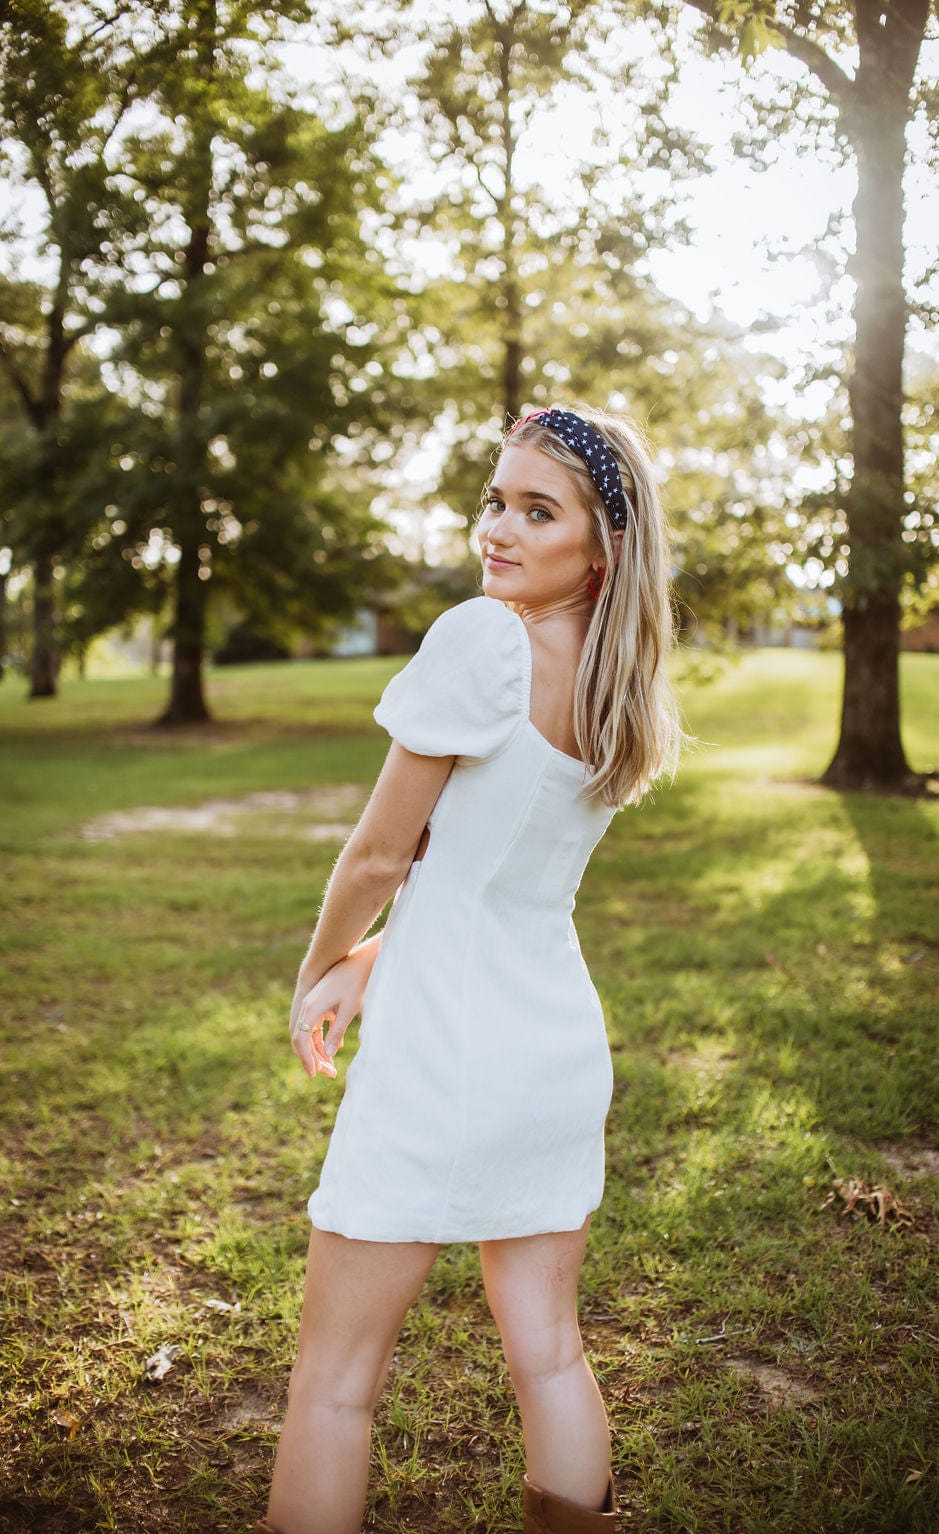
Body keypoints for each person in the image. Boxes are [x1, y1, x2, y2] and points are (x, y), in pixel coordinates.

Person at [256, 405, 679, 1534]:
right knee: (548, 1353)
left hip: (442, 1055)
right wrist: (374, 962)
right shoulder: (612, 678)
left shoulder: (484, 640)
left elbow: (381, 853)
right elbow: (495, 883)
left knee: (335, 1384)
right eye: (497, 499)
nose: (498, 528)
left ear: (603, 550)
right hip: (548, 1050)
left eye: (537, 510)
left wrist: (318, 961)